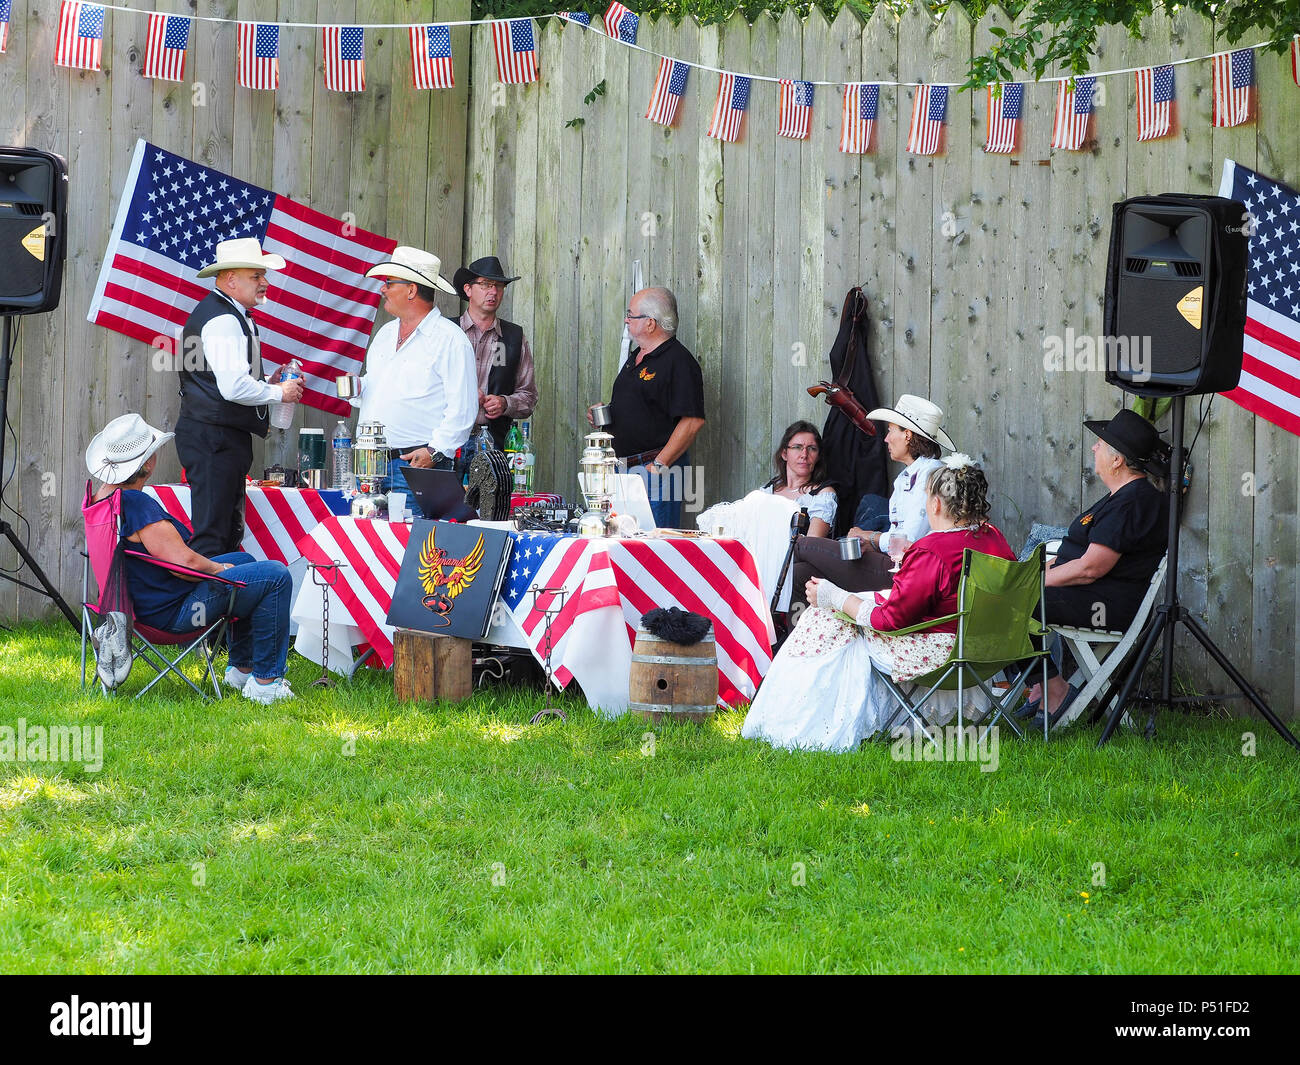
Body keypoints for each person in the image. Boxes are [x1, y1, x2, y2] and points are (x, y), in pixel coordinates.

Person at [742, 457, 1014, 751]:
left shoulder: (933, 551)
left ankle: (805, 723)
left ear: (936, 504)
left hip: (941, 651)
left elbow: (890, 621)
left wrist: (835, 597)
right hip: (987, 647)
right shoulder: (993, 538)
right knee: (838, 612)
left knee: (827, 618)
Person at [87, 413, 296, 704]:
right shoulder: (135, 504)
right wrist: (219, 568)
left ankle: (241, 668)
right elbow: (184, 565)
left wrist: (228, 565)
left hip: (131, 607)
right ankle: (266, 683)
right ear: (147, 464)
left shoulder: (102, 498)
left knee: (246, 560)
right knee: (275, 576)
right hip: (168, 614)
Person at [1026, 409, 1170, 727]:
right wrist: (1025, 574)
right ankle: (1040, 687)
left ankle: (1054, 689)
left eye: (1100, 444)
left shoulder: (1133, 502)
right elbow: (1074, 554)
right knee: (998, 595)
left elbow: (1091, 568)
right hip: (1088, 595)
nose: (1094, 448)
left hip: (1103, 605)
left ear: (1117, 460)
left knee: (1010, 604)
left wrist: (1033, 583)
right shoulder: (1121, 496)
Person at [174, 237, 305, 556]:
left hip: (215, 438)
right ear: (231, 279)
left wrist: (265, 382)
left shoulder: (226, 313)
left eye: (263, 275)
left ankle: (217, 605)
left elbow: (227, 381)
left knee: (224, 534)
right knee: (213, 537)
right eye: (256, 276)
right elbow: (232, 388)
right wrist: (279, 392)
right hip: (213, 440)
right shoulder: (222, 319)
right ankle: (204, 605)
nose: (265, 282)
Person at [791, 393, 952, 605]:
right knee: (801, 574)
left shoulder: (930, 476)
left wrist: (870, 537)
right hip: (894, 564)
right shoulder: (908, 475)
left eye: (891, 431)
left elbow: (908, 542)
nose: (885, 439)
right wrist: (873, 545)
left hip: (910, 573)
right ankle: (799, 638)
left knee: (804, 546)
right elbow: (898, 537)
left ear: (908, 435)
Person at [354, 246, 478, 518]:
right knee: (365, 547)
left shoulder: (450, 340)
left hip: (416, 467)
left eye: (389, 283)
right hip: (370, 463)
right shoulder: (386, 334)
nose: (383, 289)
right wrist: (357, 388)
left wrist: (434, 452)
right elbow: (379, 387)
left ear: (411, 290)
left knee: (409, 550)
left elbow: (463, 410)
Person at [589, 287, 705, 529]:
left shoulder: (679, 362)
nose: (626, 320)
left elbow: (692, 421)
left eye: (631, 315)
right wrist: (607, 413)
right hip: (623, 469)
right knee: (623, 543)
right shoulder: (637, 356)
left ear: (650, 323)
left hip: (654, 470)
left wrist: (659, 466)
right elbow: (643, 407)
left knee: (653, 545)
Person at [453, 255, 538, 449]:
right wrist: (461, 395)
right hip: (446, 442)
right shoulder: (447, 331)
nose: (493, 291)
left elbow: (529, 396)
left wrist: (505, 403)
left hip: (494, 443)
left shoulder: (513, 337)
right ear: (468, 289)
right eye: (485, 284)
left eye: (499, 286)